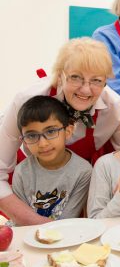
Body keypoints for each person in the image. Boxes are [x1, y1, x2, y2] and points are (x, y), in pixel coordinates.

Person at [0, 37, 120, 225]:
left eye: (96, 80)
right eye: (76, 77)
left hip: (79, 189)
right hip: (31, 187)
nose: (85, 89)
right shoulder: (27, 99)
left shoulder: (113, 107)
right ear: (60, 75)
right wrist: (38, 224)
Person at [12, 96, 92, 224]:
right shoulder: (21, 171)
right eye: (32, 135)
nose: (42, 144)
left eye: (50, 131)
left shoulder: (83, 171)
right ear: (24, 142)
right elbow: (21, 220)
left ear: (68, 131)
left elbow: (67, 221)